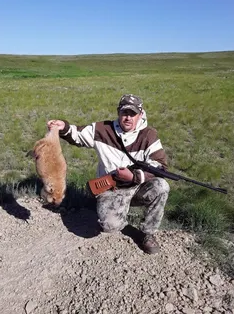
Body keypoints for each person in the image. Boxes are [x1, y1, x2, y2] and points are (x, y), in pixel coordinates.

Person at [47, 94, 170, 254]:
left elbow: (160, 165)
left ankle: (148, 233)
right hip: (112, 189)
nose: (128, 118)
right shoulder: (102, 129)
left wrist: (134, 177)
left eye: (132, 114)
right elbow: (78, 135)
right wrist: (63, 127)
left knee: (162, 186)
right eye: (124, 113)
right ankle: (117, 210)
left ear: (140, 115)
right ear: (118, 112)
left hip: (138, 186)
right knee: (110, 226)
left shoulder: (149, 135)